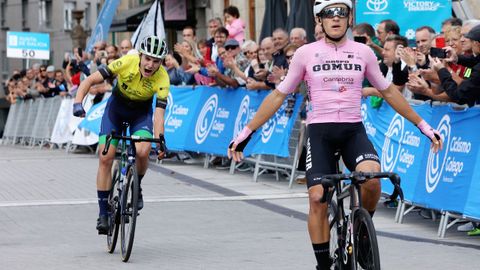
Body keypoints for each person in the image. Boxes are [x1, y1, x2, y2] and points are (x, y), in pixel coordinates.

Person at [226, 1, 442, 269]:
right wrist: (246, 133)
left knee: (372, 180)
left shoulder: (363, 52)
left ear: (350, 19)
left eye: (342, 13)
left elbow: (389, 92)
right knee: (318, 197)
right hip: (320, 133)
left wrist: (424, 126)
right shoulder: (306, 53)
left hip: (353, 130)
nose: (336, 18)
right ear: (320, 21)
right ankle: (323, 263)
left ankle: (362, 231)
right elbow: (279, 95)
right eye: (330, 13)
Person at [72, 36, 169, 235]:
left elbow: (158, 116)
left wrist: (160, 141)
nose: (150, 64)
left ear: (161, 63)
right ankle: (103, 214)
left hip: (140, 115)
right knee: (105, 156)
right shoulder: (126, 62)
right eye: (148, 59)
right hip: (115, 111)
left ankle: (137, 186)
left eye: (156, 61)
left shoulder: (163, 78)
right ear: (140, 56)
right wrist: (78, 102)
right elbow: (90, 80)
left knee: (143, 150)